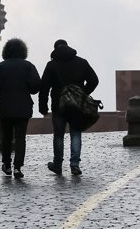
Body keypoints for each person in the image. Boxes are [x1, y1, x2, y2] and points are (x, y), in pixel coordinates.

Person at [39, 39, 99, 176]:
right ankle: (75, 165)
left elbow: (44, 87)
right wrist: (83, 94)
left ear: (55, 49)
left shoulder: (52, 65)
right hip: (77, 106)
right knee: (76, 133)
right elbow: (94, 80)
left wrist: (43, 107)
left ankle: (58, 165)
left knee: (59, 135)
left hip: (58, 106)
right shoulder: (81, 62)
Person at [0, 38, 41, 178]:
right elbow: (36, 86)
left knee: (6, 136)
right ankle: (18, 166)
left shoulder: (0, 67)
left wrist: (3, 90)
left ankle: (6, 164)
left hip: (5, 107)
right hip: (23, 107)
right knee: (20, 137)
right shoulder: (28, 66)